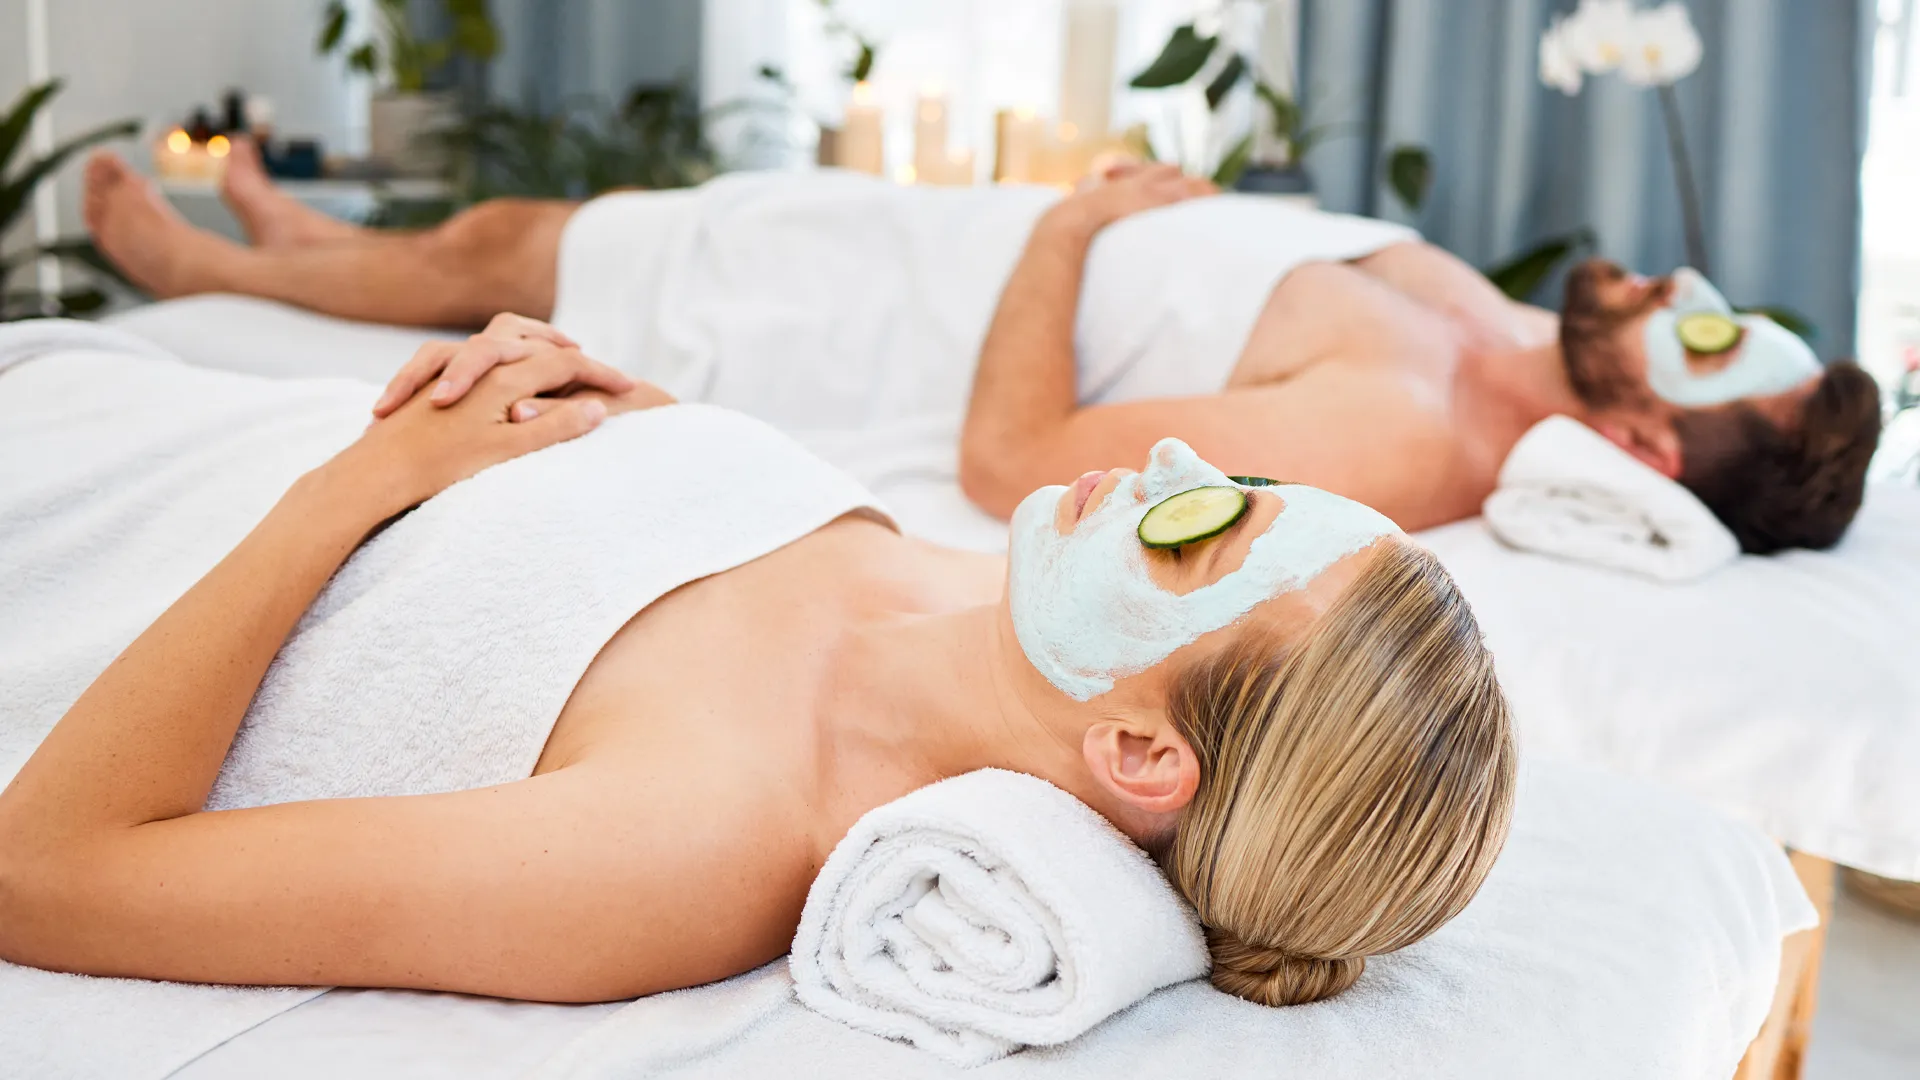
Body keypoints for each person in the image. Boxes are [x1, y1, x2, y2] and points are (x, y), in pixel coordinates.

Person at [0, 320, 1513, 1009]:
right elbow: (666, 531)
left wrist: (359, 486)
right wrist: (585, 396)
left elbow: (49, 878)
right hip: (110, 391)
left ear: (1139, 757)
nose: (1171, 456)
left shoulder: (692, 843)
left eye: (1200, 525)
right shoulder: (967, 591)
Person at [81, 144, 1880, 549]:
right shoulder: (1505, 322)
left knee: (516, 254)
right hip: (934, 239)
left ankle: (213, 266)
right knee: (545, 218)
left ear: (1645, 447)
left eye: (1698, 333)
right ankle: (322, 245)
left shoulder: (1406, 443)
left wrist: (1073, 226)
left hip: (900, 320)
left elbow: (1011, 466)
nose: (1653, 283)